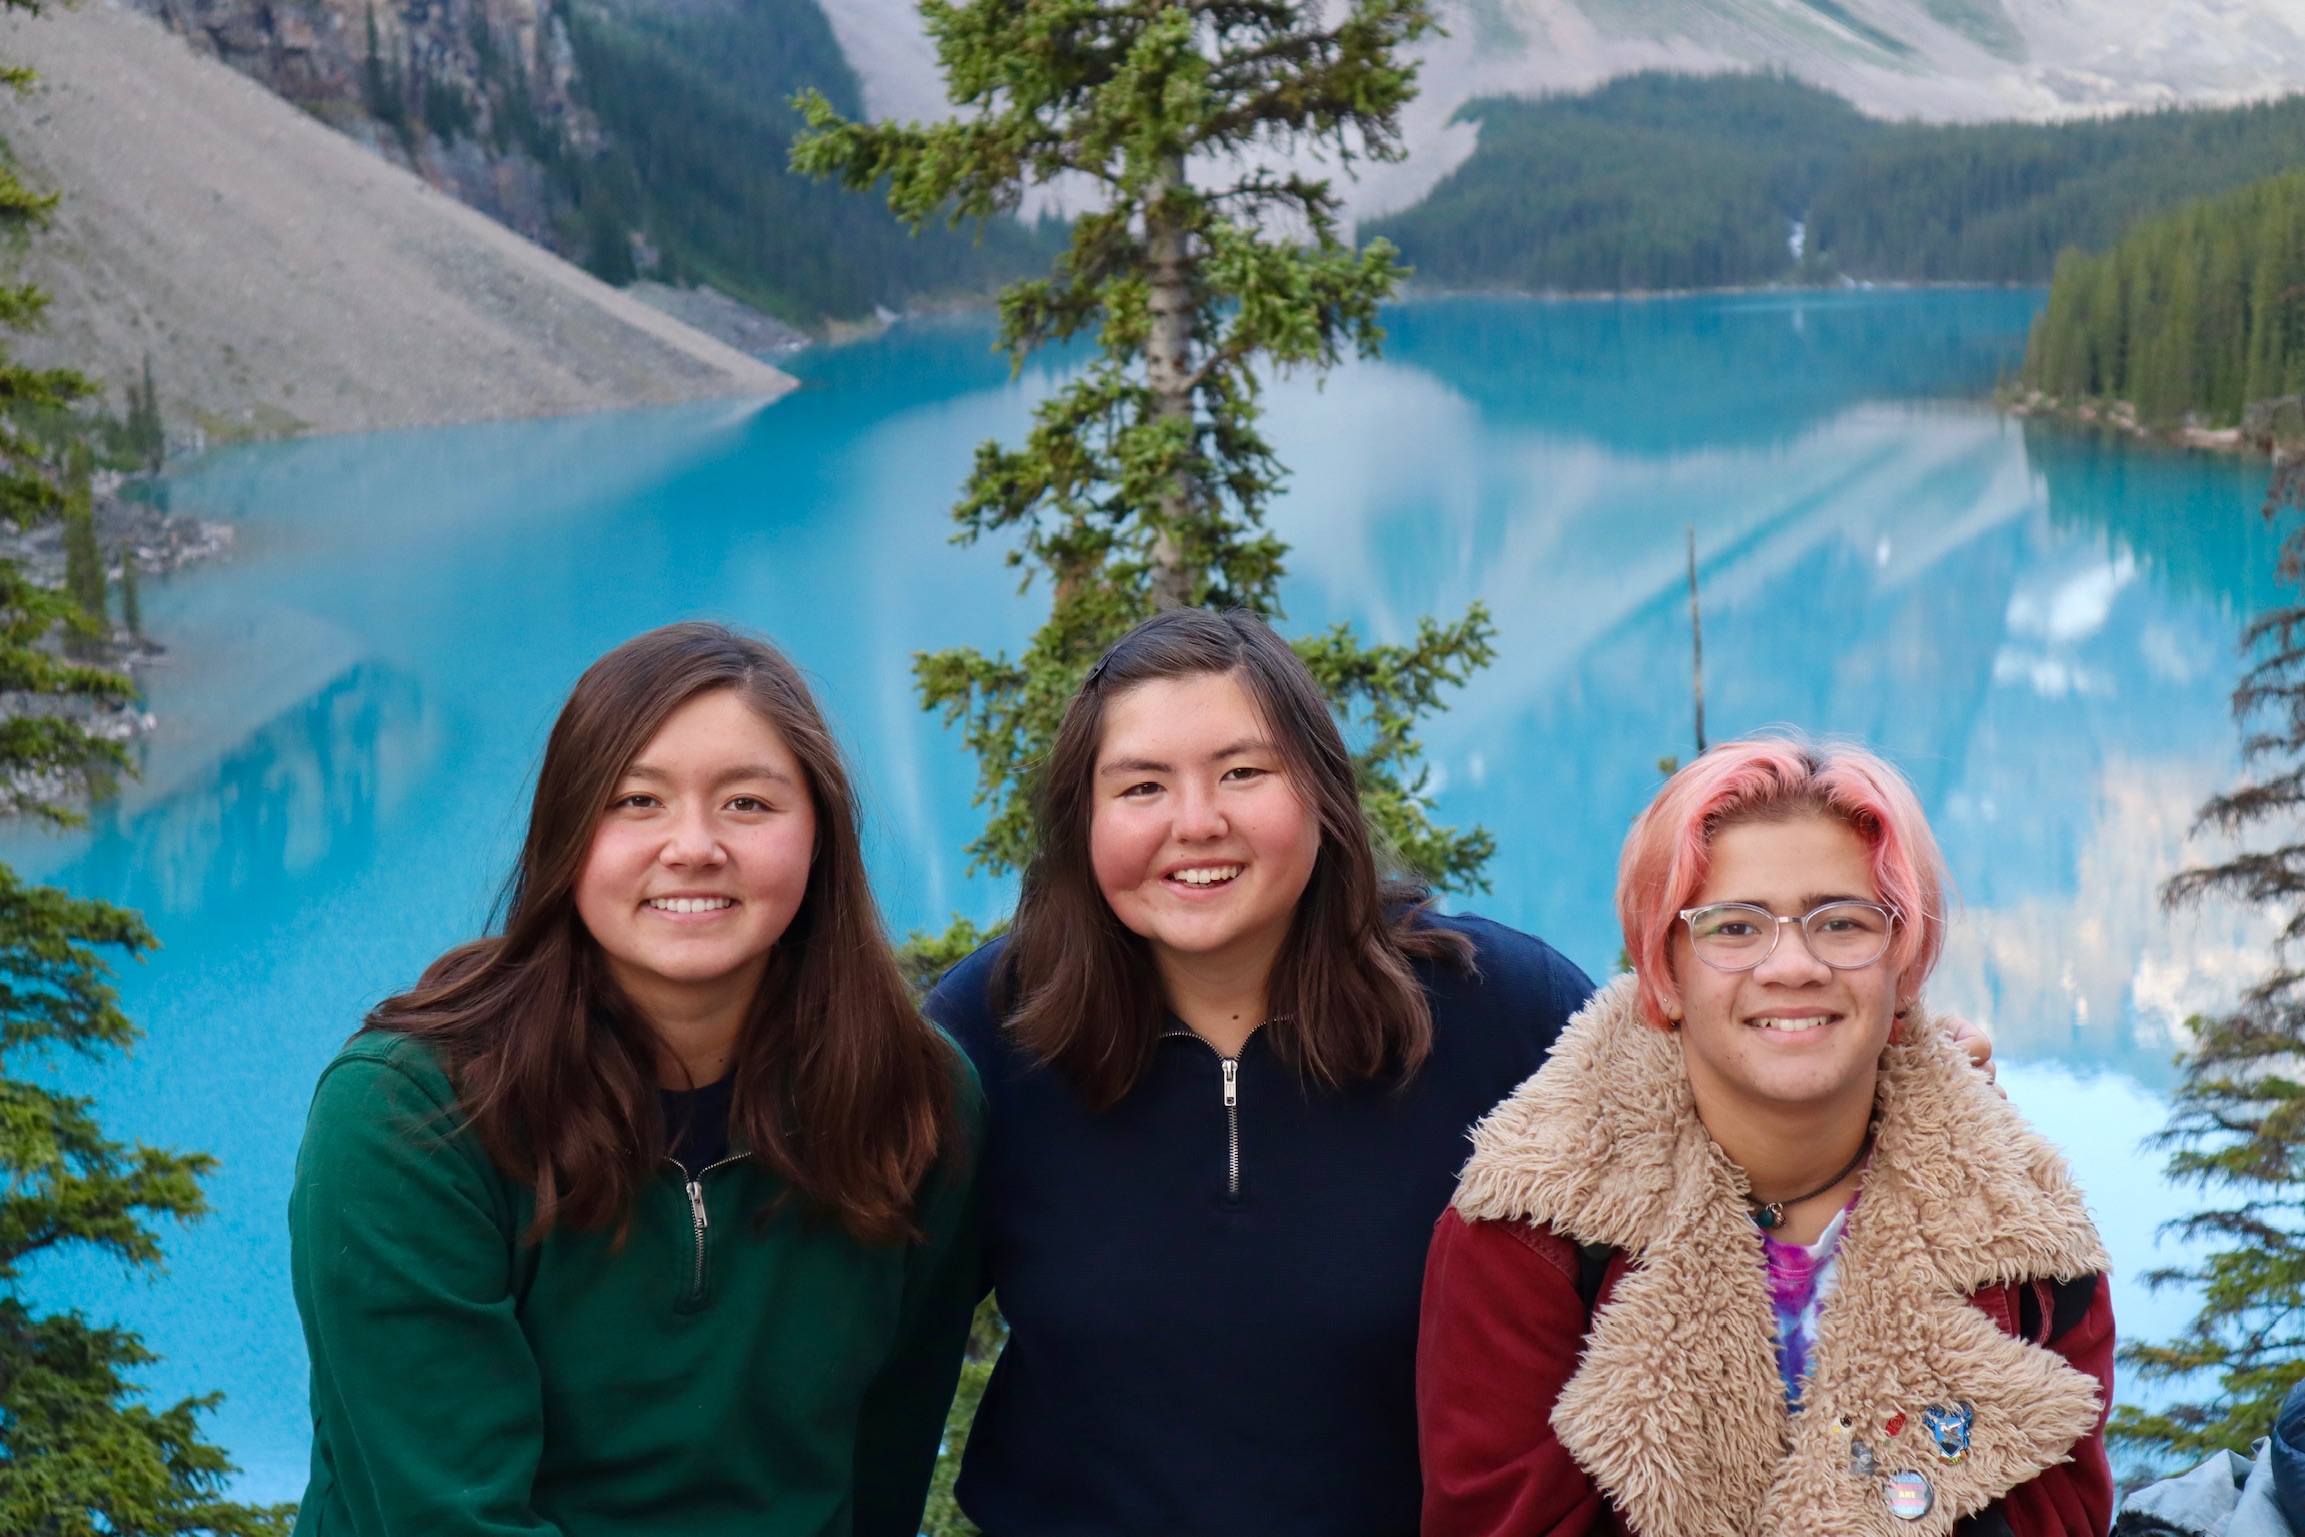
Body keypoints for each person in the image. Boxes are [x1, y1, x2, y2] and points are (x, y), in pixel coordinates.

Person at [288, 623, 980, 1537]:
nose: (692, 846)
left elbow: (885, 1459)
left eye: (747, 803)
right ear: (566, 833)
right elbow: (448, 1517)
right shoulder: (412, 1112)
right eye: (636, 800)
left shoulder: (914, 1098)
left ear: (820, 834)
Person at [922, 605, 1596, 1536]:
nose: (1196, 822)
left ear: (1319, 791)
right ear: (1084, 820)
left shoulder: (1505, 1013)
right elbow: (862, 1325)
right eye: (1141, 786)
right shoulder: (992, 1028)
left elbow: (1674, 1288)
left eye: (1243, 772)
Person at [1418, 736, 2114, 1537]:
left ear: (1904, 968)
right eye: (1733, 927)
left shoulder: (2027, 1240)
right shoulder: (1528, 1233)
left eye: (1842, 922)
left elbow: (2060, 1518)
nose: (1791, 965)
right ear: (1663, 975)